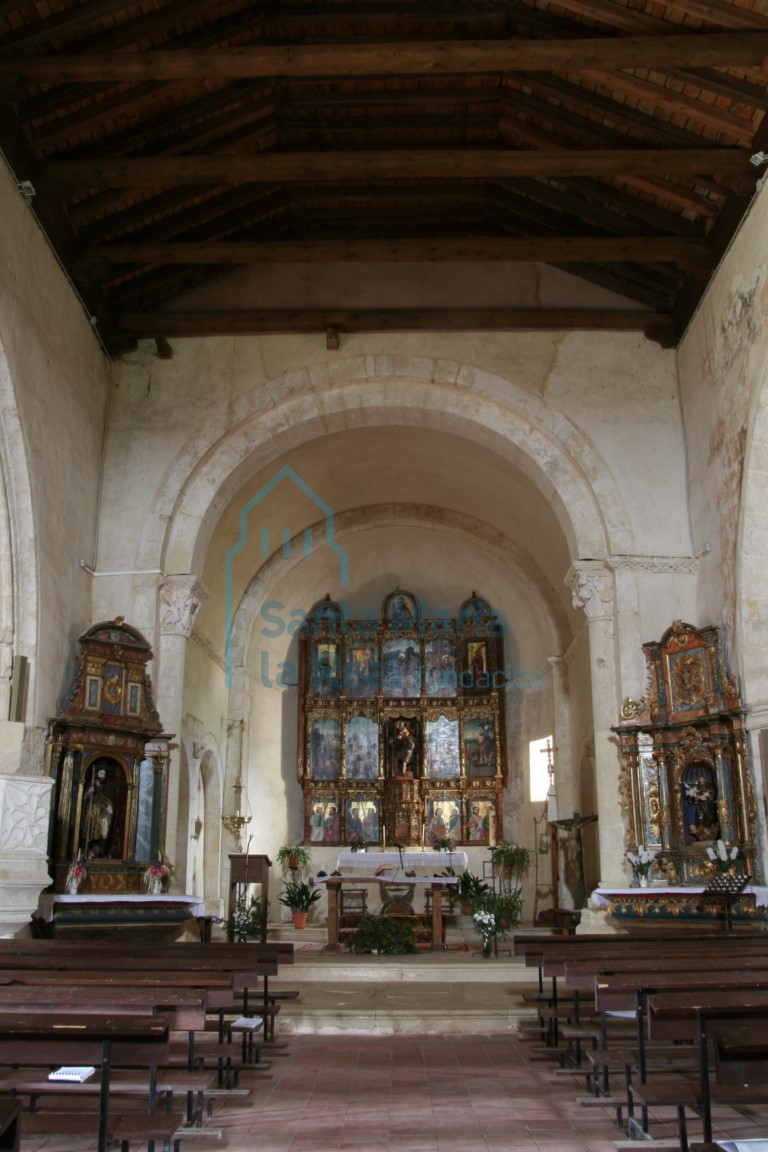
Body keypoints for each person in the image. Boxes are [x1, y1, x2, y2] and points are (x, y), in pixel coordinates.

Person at [80, 766, 114, 858]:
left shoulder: (106, 786)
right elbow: (84, 799)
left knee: (103, 831)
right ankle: (86, 852)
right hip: (92, 812)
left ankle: (101, 852)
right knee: (90, 832)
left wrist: (109, 805)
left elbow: (108, 798)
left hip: (102, 813)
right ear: (96, 774)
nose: (102, 776)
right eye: (101, 774)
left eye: (104, 774)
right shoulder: (91, 784)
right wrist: (88, 792)